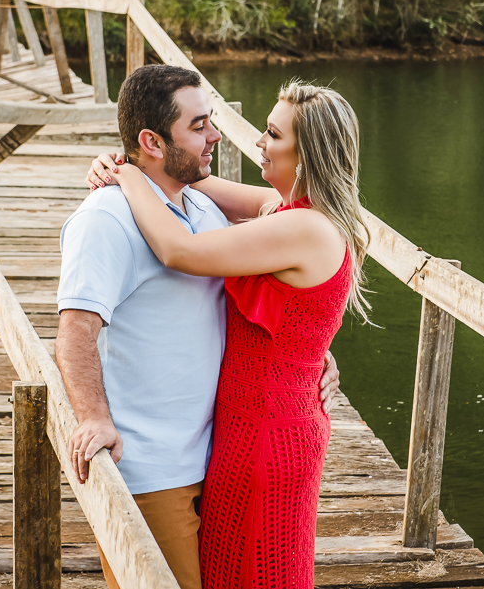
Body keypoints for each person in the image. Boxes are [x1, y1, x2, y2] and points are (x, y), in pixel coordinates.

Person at [54, 65, 341, 589]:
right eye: (202, 124)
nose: (220, 136)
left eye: (273, 134)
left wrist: (308, 349)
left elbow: (186, 249)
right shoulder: (109, 218)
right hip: (159, 464)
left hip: (230, 452)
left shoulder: (221, 215)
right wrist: (92, 416)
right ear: (153, 140)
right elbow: (74, 329)